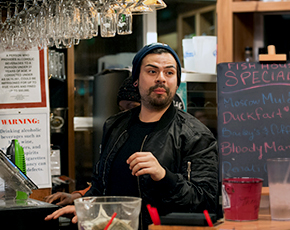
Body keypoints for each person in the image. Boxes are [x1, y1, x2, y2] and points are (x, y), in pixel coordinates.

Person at [45, 43, 219, 229]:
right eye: (152, 71)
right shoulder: (115, 126)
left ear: (176, 82)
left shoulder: (196, 135)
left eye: (169, 73)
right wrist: (84, 208)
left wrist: (164, 176)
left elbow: (206, 202)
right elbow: (100, 186)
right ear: (136, 79)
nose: (161, 78)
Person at [43, 76, 141, 206]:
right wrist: (78, 196)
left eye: (132, 108)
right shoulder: (118, 134)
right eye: (122, 110)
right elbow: (104, 183)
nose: (126, 115)